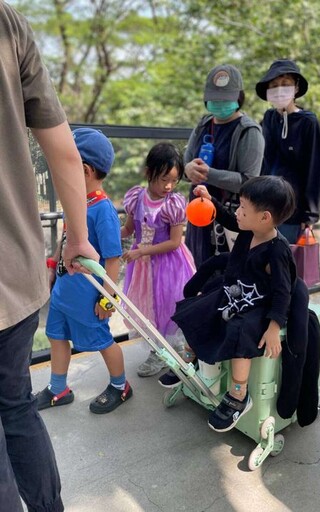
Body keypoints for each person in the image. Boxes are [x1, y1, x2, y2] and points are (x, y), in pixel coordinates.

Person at [0, 3, 99, 512]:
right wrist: (75, 239)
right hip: (17, 276)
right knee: (15, 404)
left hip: (33, 286)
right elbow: (63, 150)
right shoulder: (7, 22)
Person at [160, 176, 297, 433]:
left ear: (265, 217)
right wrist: (210, 200)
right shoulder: (249, 229)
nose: (238, 213)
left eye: (244, 208)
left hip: (256, 304)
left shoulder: (277, 250)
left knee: (240, 332)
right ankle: (190, 358)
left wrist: (273, 326)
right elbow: (225, 218)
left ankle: (238, 394)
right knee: (199, 309)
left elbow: (282, 291)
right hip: (232, 290)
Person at [36, 128, 133, 415]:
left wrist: (108, 298)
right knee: (56, 335)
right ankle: (58, 388)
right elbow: (66, 237)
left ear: (85, 169)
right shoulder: (75, 201)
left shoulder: (103, 211)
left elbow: (113, 259)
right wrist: (54, 263)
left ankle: (120, 386)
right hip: (65, 290)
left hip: (88, 295)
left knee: (103, 341)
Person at [121, 142, 196, 377]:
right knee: (147, 308)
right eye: (164, 179)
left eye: (174, 180)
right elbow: (129, 229)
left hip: (169, 265)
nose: (169, 186)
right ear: (148, 172)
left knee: (167, 308)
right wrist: (104, 235)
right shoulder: (136, 198)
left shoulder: (173, 203)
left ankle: (165, 353)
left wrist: (141, 251)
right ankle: (159, 350)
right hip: (143, 267)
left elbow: (175, 242)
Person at [184, 64, 265, 268]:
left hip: (229, 218)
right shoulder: (203, 125)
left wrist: (208, 175)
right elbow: (186, 162)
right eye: (214, 98)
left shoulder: (249, 131)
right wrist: (188, 170)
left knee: (224, 274)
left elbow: (248, 181)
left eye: (225, 98)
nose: (219, 103)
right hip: (198, 215)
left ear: (238, 97)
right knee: (197, 270)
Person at [255, 59, 320, 244]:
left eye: (285, 84)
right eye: (274, 85)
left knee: (283, 263)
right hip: (264, 204)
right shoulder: (268, 118)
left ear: (296, 87)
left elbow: (313, 169)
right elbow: (262, 160)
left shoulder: (308, 122)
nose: (279, 89)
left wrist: (309, 216)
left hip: (291, 209)